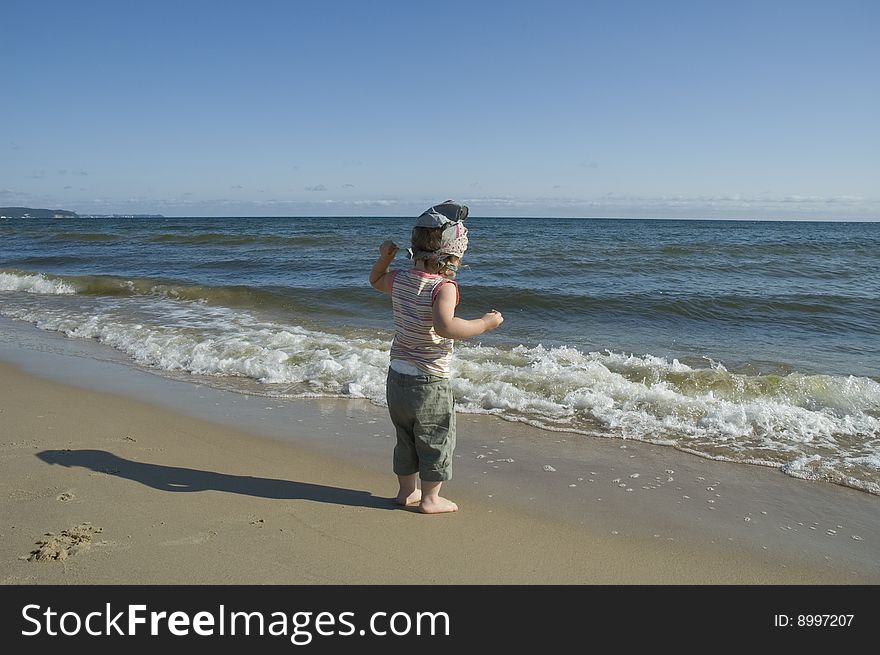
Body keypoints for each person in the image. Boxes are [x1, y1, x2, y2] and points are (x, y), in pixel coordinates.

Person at [369, 201, 504, 514]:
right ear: (452, 256)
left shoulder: (400, 279)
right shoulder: (444, 287)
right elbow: (445, 327)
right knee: (435, 437)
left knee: (405, 437)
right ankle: (430, 499)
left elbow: (375, 281)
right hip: (429, 380)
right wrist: (485, 323)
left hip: (397, 377)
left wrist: (383, 259)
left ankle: (406, 493)